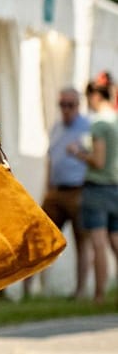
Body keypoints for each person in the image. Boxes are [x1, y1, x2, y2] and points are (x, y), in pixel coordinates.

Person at [40, 88, 91, 297]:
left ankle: (80, 291)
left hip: (78, 190)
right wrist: (47, 186)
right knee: (42, 238)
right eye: (63, 105)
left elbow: (95, 159)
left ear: (78, 105)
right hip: (57, 190)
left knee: (82, 241)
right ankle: (31, 288)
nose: (66, 109)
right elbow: (51, 159)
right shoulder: (56, 128)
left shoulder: (88, 127)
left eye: (70, 105)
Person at [76, 73, 118, 300]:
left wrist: (79, 154)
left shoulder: (100, 123)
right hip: (115, 187)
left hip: (98, 187)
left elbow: (99, 161)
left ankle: (99, 295)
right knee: (115, 241)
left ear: (94, 95)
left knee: (99, 243)